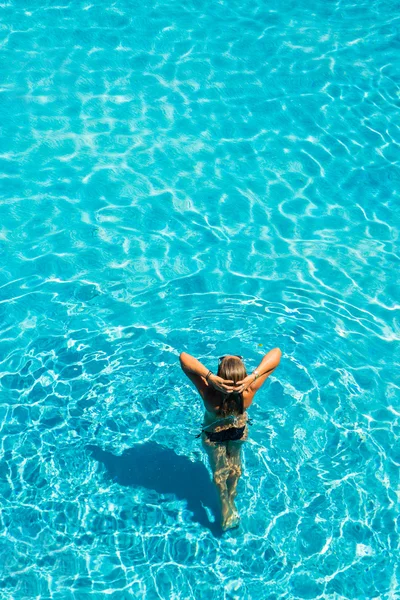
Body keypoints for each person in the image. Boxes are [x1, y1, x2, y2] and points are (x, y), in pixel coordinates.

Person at [179, 348, 282, 531]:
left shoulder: (210, 395)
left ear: (220, 376)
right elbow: (277, 353)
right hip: (238, 432)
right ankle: (232, 496)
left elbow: (184, 359)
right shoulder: (249, 391)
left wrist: (209, 377)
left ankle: (225, 506)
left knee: (220, 473)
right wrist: (253, 376)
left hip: (214, 436)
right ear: (243, 376)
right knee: (235, 467)